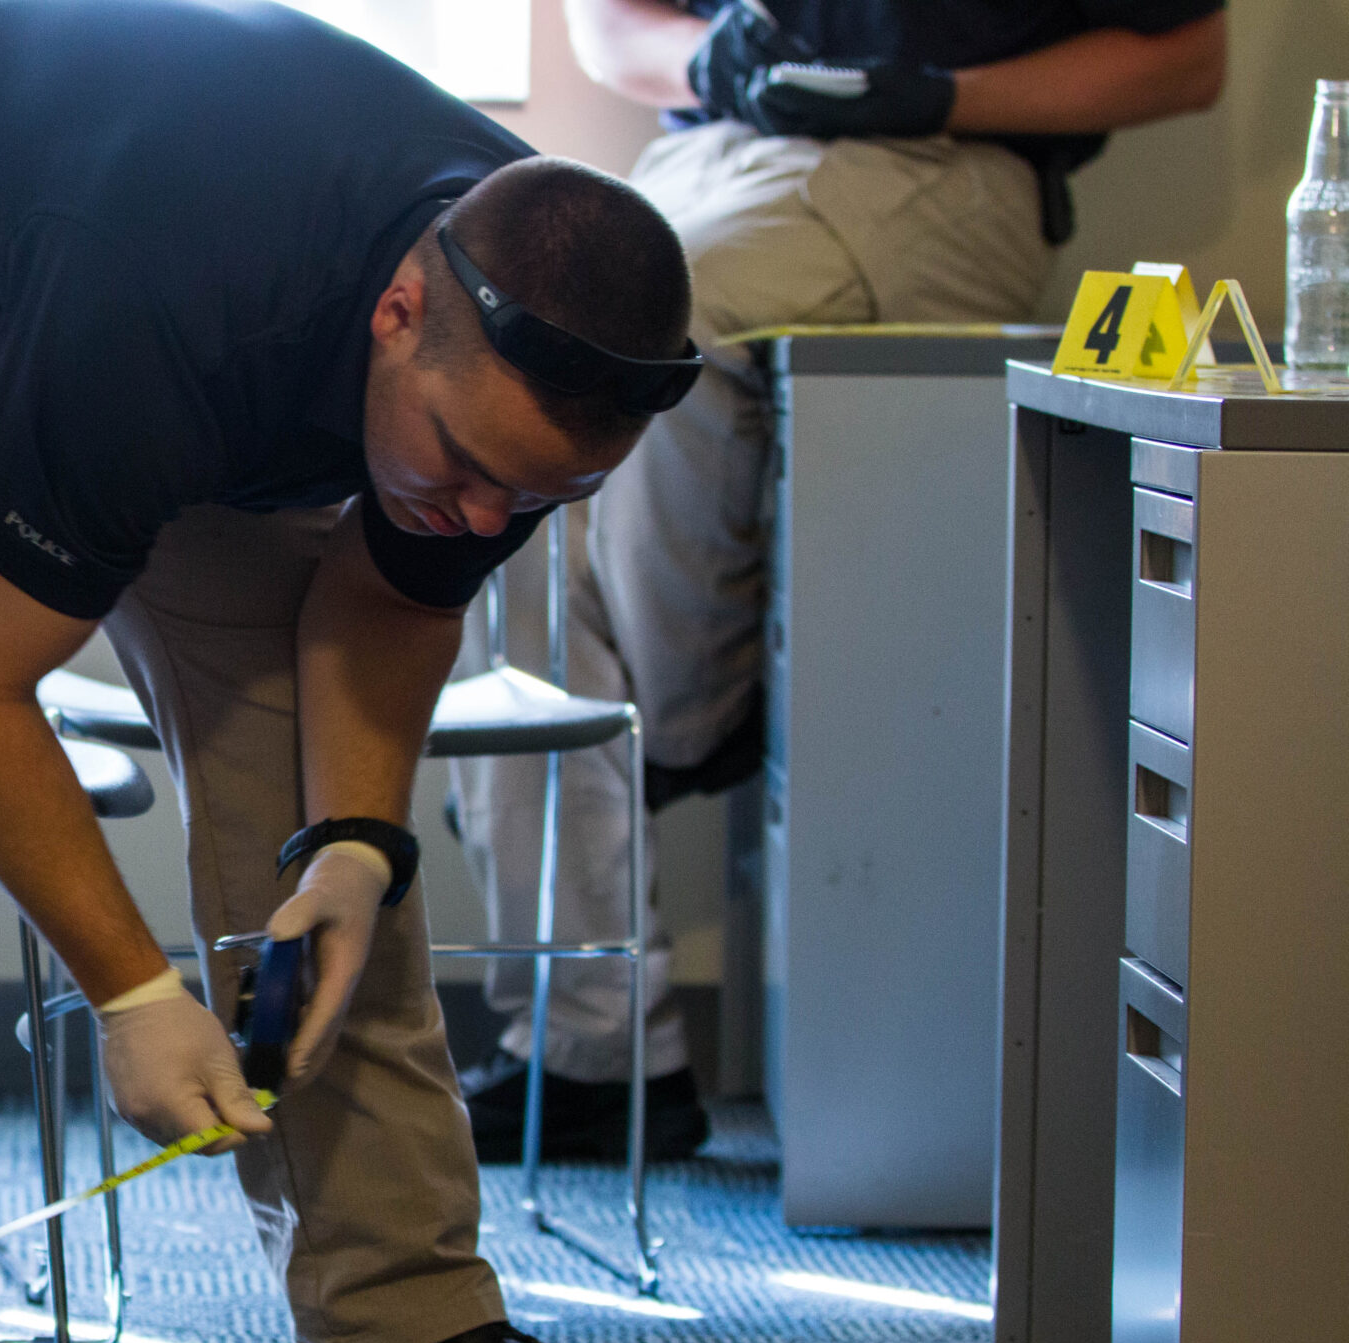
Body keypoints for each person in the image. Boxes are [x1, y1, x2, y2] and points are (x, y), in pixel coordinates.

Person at [0, 0, 695, 1343]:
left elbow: (390, 603)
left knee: (307, 806)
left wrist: (348, 848)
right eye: (468, 472)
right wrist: (135, 991)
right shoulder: (176, 292)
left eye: (532, 502)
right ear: (397, 313)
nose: (485, 520)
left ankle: (405, 1324)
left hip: (163, 320)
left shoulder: (527, 333)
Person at [452, 0, 1229, 1162]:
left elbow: (1185, 60)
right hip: (706, 146)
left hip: (936, 165)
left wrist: (937, 95)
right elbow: (609, 24)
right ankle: (590, 1047)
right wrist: (709, 60)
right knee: (502, 451)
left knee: (660, 327)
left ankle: (679, 725)